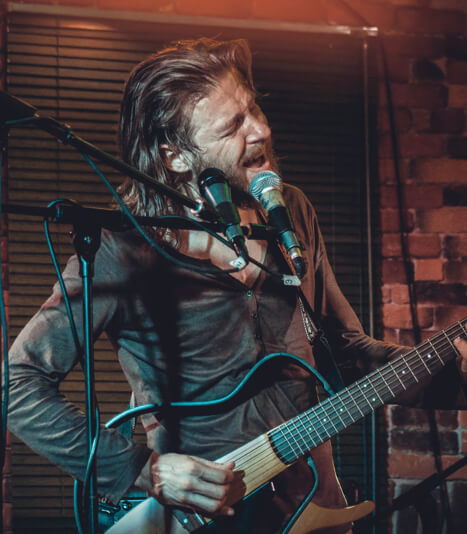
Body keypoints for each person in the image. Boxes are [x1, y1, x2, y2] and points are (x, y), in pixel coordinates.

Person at [7, 38, 467, 534]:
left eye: (254, 109)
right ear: (175, 157)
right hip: (204, 518)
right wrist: (144, 470)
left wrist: (456, 374)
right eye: (232, 127)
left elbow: (345, 352)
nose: (261, 130)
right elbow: (17, 386)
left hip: (316, 503)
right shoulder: (123, 250)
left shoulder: (289, 211)